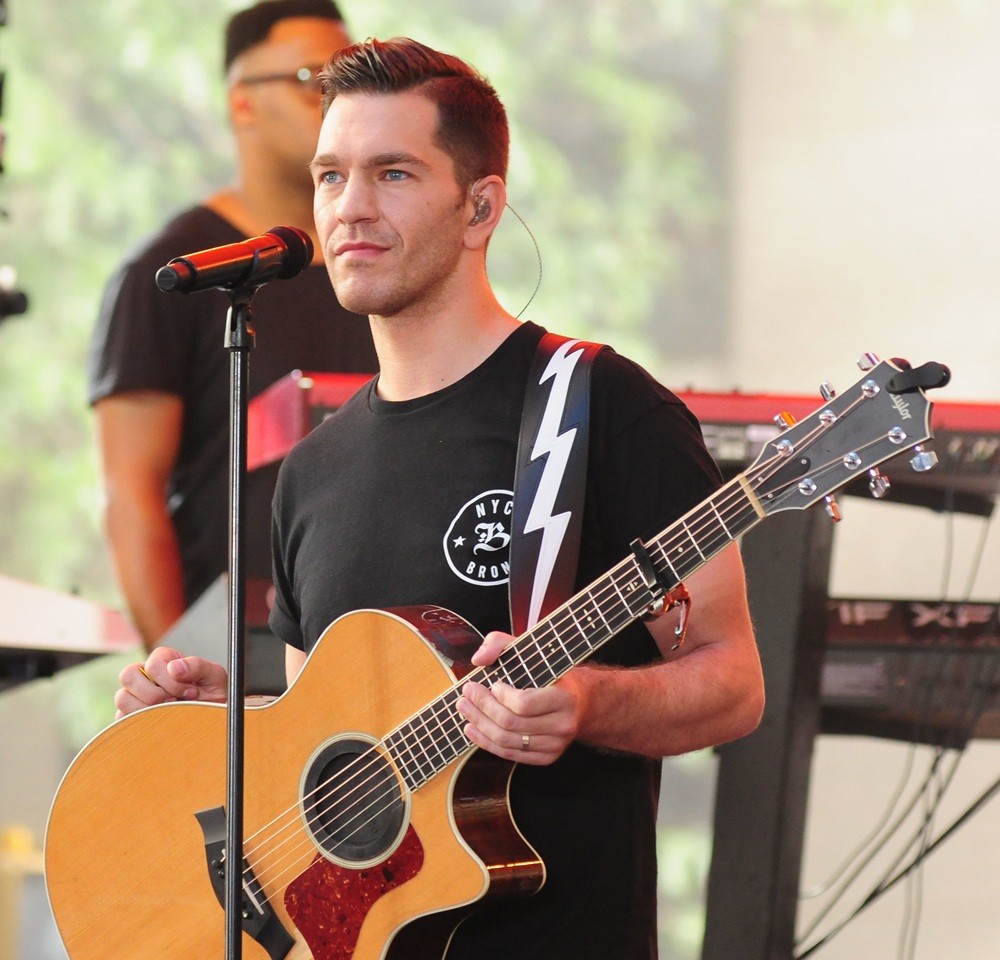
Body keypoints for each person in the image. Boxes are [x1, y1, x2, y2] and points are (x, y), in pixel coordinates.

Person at [115, 37, 765, 960]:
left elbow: (732, 681)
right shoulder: (313, 469)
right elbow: (324, 741)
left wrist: (586, 701)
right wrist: (222, 721)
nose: (351, 209)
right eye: (330, 176)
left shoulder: (598, 408)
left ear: (480, 207)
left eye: (393, 174)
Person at [88, 0, 377, 651]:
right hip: (237, 654)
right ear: (242, 103)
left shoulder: (381, 262)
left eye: (349, 80)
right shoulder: (171, 274)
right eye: (313, 80)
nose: (336, 101)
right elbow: (132, 496)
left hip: (375, 645)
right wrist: (181, 680)